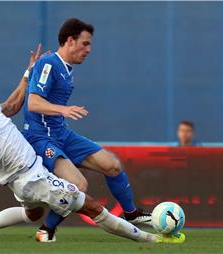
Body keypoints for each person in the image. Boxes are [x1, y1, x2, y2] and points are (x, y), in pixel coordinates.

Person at [0, 49, 184, 244]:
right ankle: (153, 240)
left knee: (32, 214)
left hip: (26, 178)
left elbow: (13, 104)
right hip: (31, 179)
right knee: (92, 206)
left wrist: (28, 73)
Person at [23, 18, 151, 242]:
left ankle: (131, 214)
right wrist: (63, 109)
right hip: (41, 139)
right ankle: (46, 230)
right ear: (70, 41)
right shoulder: (49, 64)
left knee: (112, 165)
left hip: (62, 134)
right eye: (85, 44)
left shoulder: (66, 69)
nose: (89, 50)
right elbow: (33, 102)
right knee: (79, 184)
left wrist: (61, 114)